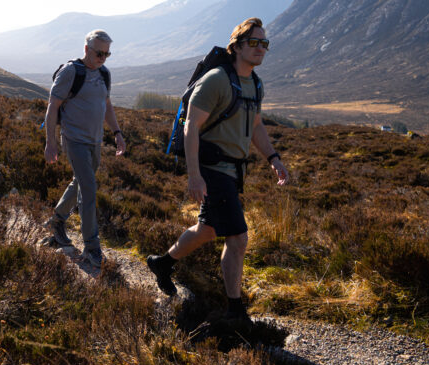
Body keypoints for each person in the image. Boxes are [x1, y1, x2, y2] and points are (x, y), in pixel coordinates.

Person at [146, 18, 289, 321]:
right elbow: (191, 128)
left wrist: (273, 158)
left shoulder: (255, 84)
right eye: (254, 43)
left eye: (265, 43)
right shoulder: (217, 80)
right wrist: (195, 175)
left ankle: (163, 263)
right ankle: (235, 310)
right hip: (212, 167)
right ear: (236, 46)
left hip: (233, 170)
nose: (260, 48)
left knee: (207, 229)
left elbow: (256, 126)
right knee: (237, 238)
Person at [44, 29, 126, 267]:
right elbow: (52, 107)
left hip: (95, 141)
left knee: (80, 182)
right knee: (89, 189)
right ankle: (92, 248)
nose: (103, 58)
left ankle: (57, 220)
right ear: (86, 49)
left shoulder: (104, 74)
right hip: (74, 140)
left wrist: (117, 134)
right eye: (99, 53)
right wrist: (50, 142)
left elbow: (107, 106)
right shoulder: (71, 72)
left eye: (107, 54)